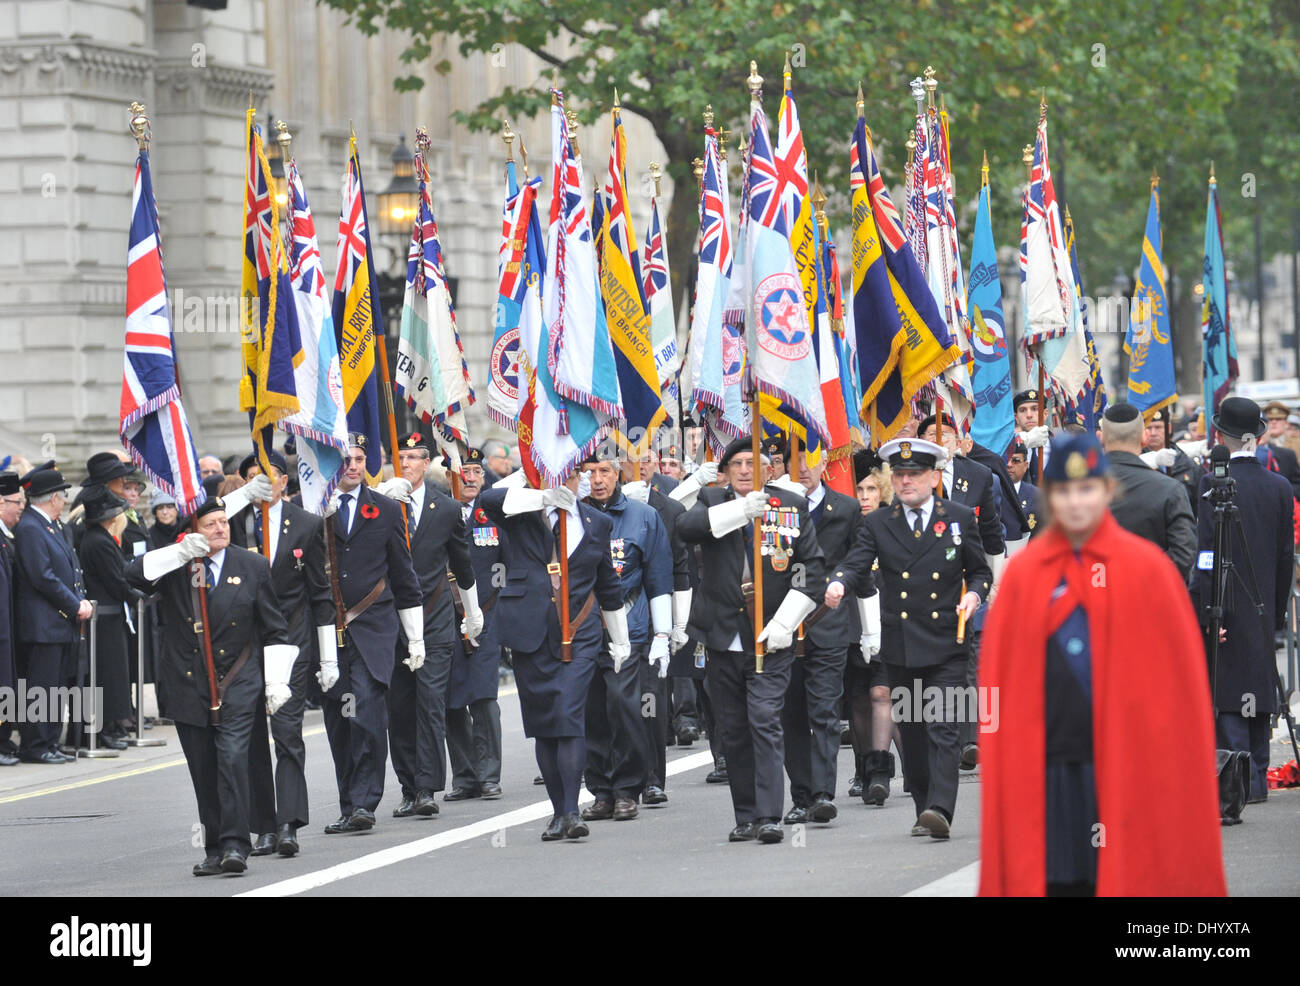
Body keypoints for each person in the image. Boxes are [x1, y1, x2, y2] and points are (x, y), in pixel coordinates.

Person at [979, 431, 1225, 896]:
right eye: (1064, 492)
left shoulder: (1148, 570)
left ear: (1108, 491)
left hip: (1127, 770)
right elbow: (1000, 686)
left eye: (1087, 489)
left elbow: (1178, 691)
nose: (1076, 503)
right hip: (1047, 772)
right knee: (1056, 882)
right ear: (1050, 497)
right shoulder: (1024, 578)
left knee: (1126, 878)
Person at [825, 438, 990, 840]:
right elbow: (857, 562)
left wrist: (972, 595)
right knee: (914, 734)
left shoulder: (959, 517)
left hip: (947, 643)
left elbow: (981, 572)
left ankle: (941, 808)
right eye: (899, 474)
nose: (906, 481)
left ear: (934, 477)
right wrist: (839, 583)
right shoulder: (879, 523)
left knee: (943, 727)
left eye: (914, 473)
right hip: (901, 644)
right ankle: (924, 807)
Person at [128, 495, 297, 875]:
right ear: (194, 532)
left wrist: (277, 680)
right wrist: (177, 555)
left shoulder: (252, 565)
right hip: (189, 681)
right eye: (210, 524)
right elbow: (131, 575)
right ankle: (214, 847)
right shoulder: (178, 562)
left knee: (233, 758)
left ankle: (237, 845)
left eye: (223, 521)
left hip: (238, 680)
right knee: (203, 768)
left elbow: (274, 625)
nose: (220, 528)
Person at [678, 437, 825, 845]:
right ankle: (745, 815)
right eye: (737, 464)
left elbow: (810, 568)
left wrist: (787, 621)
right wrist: (739, 511)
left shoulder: (790, 506)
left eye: (754, 463)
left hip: (770, 636)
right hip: (723, 635)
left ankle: (769, 815)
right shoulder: (711, 500)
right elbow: (684, 528)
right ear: (725, 471)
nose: (745, 470)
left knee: (764, 720)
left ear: (769, 469)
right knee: (734, 728)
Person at [477, 470, 628, 841]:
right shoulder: (522, 511)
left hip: (579, 632)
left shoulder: (598, 521)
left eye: (575, 473)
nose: (570, 480)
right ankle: (559, 811)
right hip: (530, 630)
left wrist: (620, 640)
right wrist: (541, 496)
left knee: (568, 714)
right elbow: (488, 500)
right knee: (544, 724)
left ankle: (574, 810)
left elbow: (607, 583)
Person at [227, 450, 335, 856]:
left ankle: (288, 823)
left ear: (284, 481)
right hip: (242, 650)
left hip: (290, 644)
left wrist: (328, 657)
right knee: (251, 739)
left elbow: (320, 595)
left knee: (287, 734)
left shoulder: (306, 525)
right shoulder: (232, 524)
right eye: (251, 478)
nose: (261, 484)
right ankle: (264, 827)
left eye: (267, 476)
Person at [319, 435, 423, 834]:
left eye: (360, 459)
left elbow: (403, 574)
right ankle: (348, 804)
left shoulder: (384, 509)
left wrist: (415, 637)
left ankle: (364, 803)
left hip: (372, 630)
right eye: (346, 458)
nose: (352, 465)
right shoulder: (315, 508)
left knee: (365, 713)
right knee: (339, 722)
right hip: (327, 634)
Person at [1195, 397, 1294, 803]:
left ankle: (1238, 781)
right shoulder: (1280, 487)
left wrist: (1206, 607)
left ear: (1221, 436)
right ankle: (1256, 774)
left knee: (1230, 691)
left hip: (1224, 603)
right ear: (1260, 434)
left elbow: (1205, 554)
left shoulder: (1209, 485)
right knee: (1258, 685)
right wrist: (1275, 606)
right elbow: (1286, 555)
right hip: (1263, 603)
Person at [383, 432, 482, 820]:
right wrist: (382, 499)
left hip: (435, 616)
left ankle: (426, 787)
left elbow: (462, 564)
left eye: (413, 458)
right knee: (400, 707)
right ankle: (409, 785)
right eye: (400, 457)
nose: (405, 464)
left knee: (430, 702)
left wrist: (473, 615)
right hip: (392, 620)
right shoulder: (382, 503)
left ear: (427, 463)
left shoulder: (445, 508)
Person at [578, 449, 673, 822]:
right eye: (590, 471)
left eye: (605, 471)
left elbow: (659, 577)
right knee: (592, 711)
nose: (598, 479)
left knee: (623, 706)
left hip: (630, 628)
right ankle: (600, 789)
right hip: (583, 631)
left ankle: (628, 788)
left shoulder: (643, 517)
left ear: (618, 475)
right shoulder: (570, 516)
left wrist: (664, 633)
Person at [778, 450, 864, 824]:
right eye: (793, 460)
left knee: (825, 710)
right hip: (782, 622)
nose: (802, 468)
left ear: (824, 463)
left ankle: (823, 793)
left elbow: (858, 560)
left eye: (809, 459)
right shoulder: (775, 508)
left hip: (826, 622)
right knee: (790, 712)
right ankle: (801, 795)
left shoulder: (844, 508)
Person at [919, 412, 1006, 770]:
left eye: (948, 436)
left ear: (958, 442)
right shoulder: (914, 477)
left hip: (966, 582)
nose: (942, 443)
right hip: (922, 586)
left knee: (968, 659)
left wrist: (994, 583)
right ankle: (937, 738)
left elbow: (991, 533)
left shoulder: (978, 475)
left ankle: (970, 740)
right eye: (933, 437)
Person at [14, 466, 90, 763]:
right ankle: (35, 745)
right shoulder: (31, 527)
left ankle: (50, 741)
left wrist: (77, 601)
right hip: (41, 624)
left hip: (58, 623)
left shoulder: (53, 525)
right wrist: (74, 605)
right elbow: (42, 576)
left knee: (56, 686)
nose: (64, 501)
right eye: (62, 495)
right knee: (41, 688)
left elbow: (70, 571)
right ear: (53, 497)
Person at [445, 447, 505, 802]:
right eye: (462, 471)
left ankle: (488, 775)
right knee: (452, 700)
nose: (469, 478)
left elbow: (509, 566)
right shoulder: (439, 513)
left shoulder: (495, 515)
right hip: (447, 619)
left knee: (483, 698)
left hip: (488, 615)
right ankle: (464, 776)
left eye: (475, 472)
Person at [1098, 403, 1197, 580]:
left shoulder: (1075, 490)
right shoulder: (1169, 489)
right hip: (1150, 598)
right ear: (1145, 437)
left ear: (1101, 437)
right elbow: (1184, 554)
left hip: (1092, 597)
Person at [76, 487, 140, 751]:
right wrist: (136, 595)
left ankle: (106, 726)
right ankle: (99, 729)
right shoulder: (99, 542)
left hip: (109, 616)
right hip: (104, 618)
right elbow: (116, 580)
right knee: (104, 675)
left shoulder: (98, 538)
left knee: (110, 675)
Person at [1140, 414, 1201, 511]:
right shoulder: (1138, 462)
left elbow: (1198, 505)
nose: (1153, 433)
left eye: (1158, 427)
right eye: (1149, 428)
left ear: (1169, 428)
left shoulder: (1186, 463)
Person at [1257, 401, 1300, 501]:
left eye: (1278, 419)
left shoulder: (1296, 445)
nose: (1274, 422)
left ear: (1286, 422)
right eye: (1270, 419)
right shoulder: (1257, 446)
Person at [1011, 389, 1052, 479]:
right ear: (1016, 417)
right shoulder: (1008, 450)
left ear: (1045, 414)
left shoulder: (1058, 448)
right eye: (1022, 410)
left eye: (1035, 409)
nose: (1029, 415)